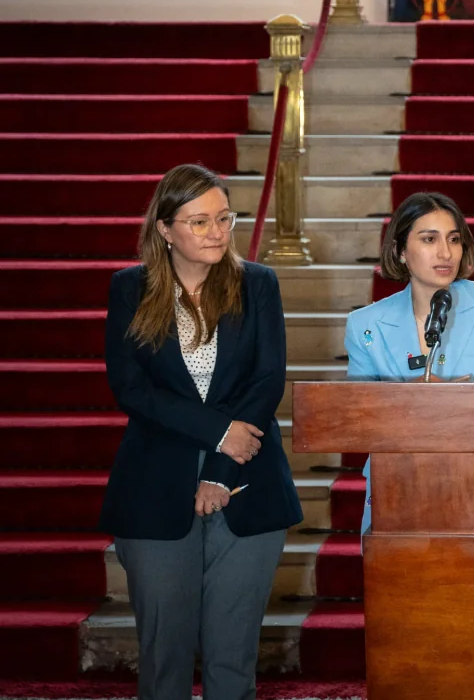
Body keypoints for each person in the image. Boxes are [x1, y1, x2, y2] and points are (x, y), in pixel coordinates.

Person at [101, 163, 302, 700]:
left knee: (233, 659)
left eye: (224, 217)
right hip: (152, 487)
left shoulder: (258, 284)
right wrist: (218, 434)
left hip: (247, 483)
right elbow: (133, 389)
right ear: (165, 229)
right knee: (163, 660)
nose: (217, 231)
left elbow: (266, 382)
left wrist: (219, 467)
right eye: (198, 221)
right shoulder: (129, 289)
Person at [343, 191, 474, 700]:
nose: (445, 252)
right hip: (399, 508)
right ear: (401, 250)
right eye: (429, 239)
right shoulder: (366, 326)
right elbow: (356, 419)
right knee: (407, 643)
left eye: (453, 239)